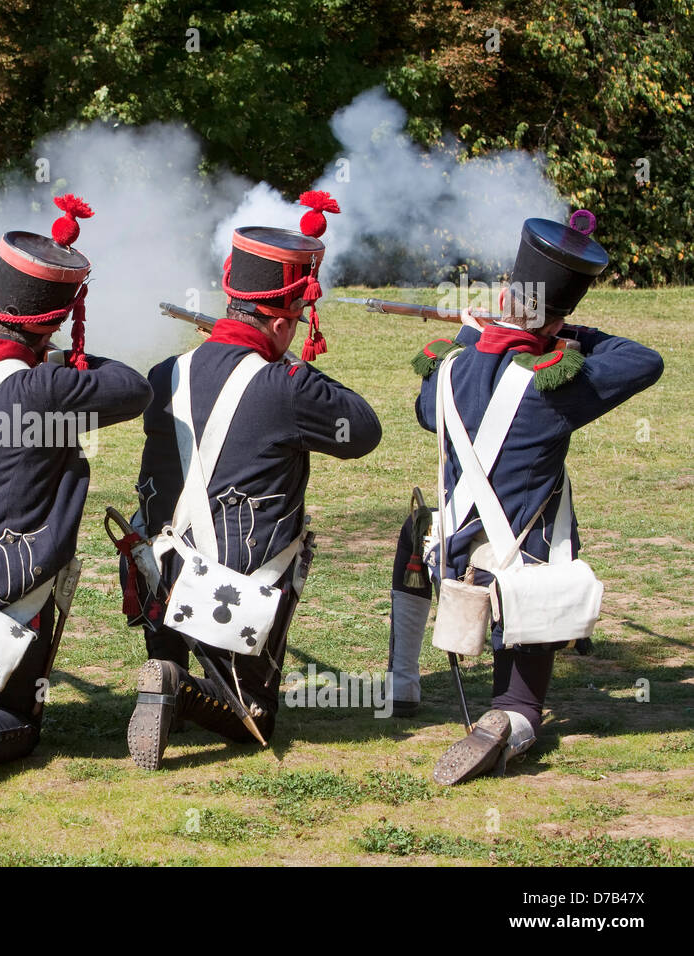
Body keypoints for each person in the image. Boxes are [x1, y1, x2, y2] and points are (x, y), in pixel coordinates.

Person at [385, 212, 664, 784]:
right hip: (521, 578)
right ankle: (510, 720)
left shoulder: (449, 372)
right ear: (558, 314)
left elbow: (423, 411)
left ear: (507, 293)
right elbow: (643, 360)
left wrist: (475, 332)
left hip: (451, 561)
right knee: (523, 692)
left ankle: (400, 682)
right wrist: (563, 332)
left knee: (416, 527)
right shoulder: (551, 385)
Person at [0, 196, 152, 801]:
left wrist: (45, 355)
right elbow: (131, 387)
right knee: (20, 721)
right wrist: (62, 359)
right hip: (7, 584)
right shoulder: (44, 388)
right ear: (58, 317)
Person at [121, 193, 381, 768]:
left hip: (159, 580)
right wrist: (291, 364)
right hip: (235, 589)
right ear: (285, 317)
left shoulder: (168, 373)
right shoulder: (286, 385)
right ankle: (172, 682)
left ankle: (166, 662)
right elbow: (363, 430)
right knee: (252, 715)